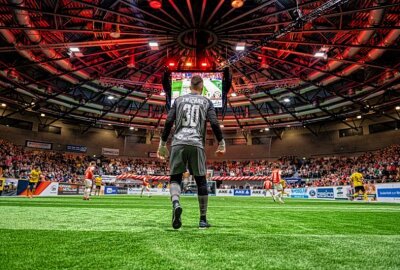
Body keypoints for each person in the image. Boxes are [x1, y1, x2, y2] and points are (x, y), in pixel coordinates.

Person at [157, 75, 225, 230]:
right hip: (196, 144)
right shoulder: (206, 101)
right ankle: (202, 220)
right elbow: (214, 122)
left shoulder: (179, 100)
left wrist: (162, 143)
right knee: (201, 180)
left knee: (175, 178)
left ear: (189, 86)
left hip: (178, 143)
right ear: (202, 87)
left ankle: (176, 204)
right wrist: (221, 143)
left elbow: (168, 121)